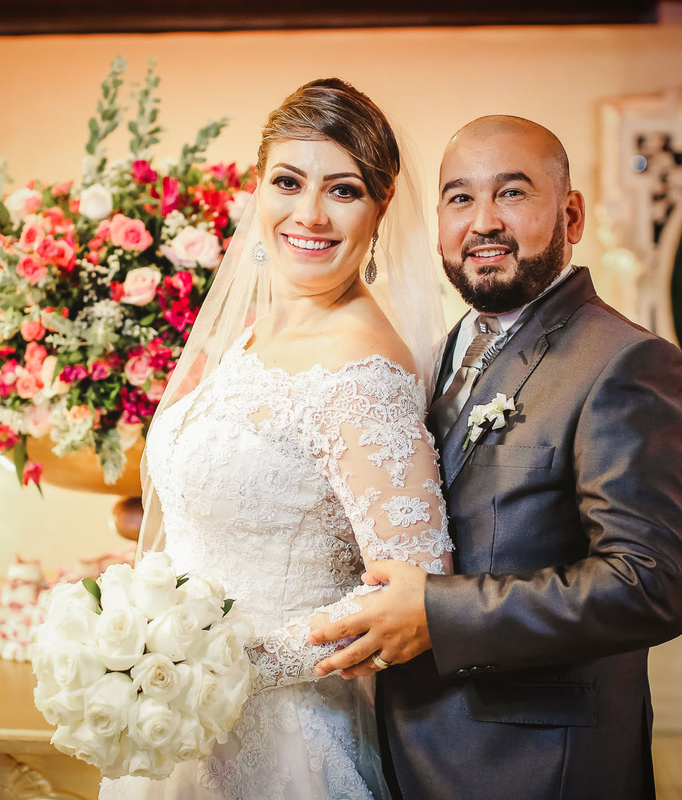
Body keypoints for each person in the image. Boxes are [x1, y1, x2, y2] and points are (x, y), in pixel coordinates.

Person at [309, 116, 682, 798]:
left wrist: (437, 613)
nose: (483, 222)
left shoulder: (627, 363)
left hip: (530, 766)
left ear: (571, 215)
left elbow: (650, 585)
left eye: (512, 193)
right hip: (398, 747)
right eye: (460, 198)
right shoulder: (436, 353)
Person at [99, 79, 450, 800]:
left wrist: (217, 665)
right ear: (257, 187)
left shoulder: (363, 372)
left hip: (286, 748)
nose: (310, 214)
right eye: (288, 182)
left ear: (382, 207)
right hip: (174, 721)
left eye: (344, 190)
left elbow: (410, 603)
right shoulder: (251, 335)